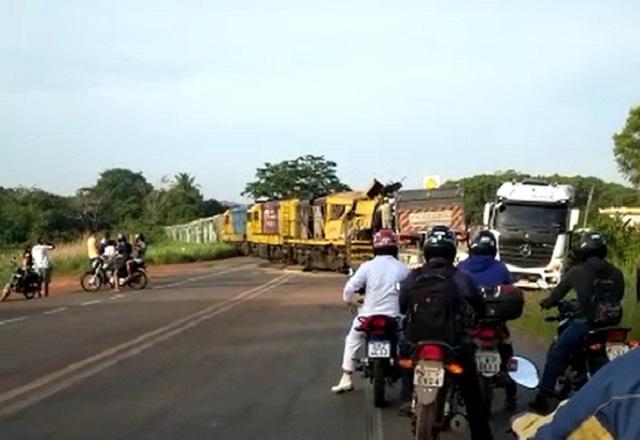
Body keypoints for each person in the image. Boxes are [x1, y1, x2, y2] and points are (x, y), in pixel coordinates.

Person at [398, 226, 493, 440]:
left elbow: (402, 305)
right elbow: (478, 305)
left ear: (426, 250)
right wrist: (479, 317)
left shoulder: (413, 276)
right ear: (452, 251)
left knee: (405, 361)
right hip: (453, 344)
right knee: (471, 394)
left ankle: (406, 398)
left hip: (417, 343)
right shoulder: (461, 277)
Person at [529, 231, 625, 414]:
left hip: (588, 325)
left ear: (584, 251)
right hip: (613, 325)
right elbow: (617, 296)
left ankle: (543, 397)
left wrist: (546, 303)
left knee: (558, 351)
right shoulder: (617, 273)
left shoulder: (577, 272)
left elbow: (556, 296)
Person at [331, 229, 410, 394]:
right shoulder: (403, 268)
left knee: (352, 339)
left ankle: (346, 377)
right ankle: (409, 384)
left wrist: (350, 302)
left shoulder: (367, 267)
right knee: (407, 343)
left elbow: (349, 290)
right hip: (395, 318)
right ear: (395, 246)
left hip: (368, 316)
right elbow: (410, 292)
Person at [513, 347, 640, 439]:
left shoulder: (623, 382)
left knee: (557, 353)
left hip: (584, 324)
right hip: (603, 329)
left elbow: (575, 418)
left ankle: (544, 393)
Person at [458, 229, 518, 410]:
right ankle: (511, 396)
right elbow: (510, 284)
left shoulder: (462, 267)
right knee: (507, 350)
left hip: (471, 323)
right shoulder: (501, 268)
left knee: (459, 352)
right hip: (495, 323)